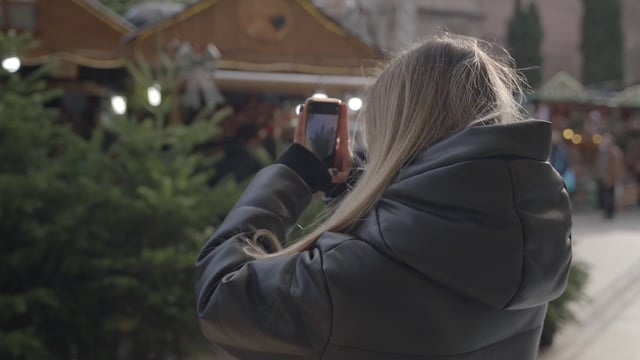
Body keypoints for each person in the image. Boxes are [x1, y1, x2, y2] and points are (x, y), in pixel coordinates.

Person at [195, 35, 572, 360]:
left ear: (392, 129)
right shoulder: (528, 236)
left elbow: (219, 296)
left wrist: (291, 176)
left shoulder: (342, 276)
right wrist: (363, 190)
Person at [597, 134, 625, 219]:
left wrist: (611, 178)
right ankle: (607, 212)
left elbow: (615, 168)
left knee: (610, 196)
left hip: (610, 178)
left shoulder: (614, 152)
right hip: (605, 177)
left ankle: (610, 213)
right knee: (607, 196)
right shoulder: (605, 152)